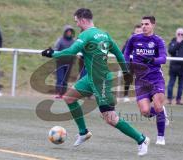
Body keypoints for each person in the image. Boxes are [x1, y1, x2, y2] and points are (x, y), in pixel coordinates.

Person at [42, 8, 150, 156]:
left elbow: (71, 52)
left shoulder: (86, 35)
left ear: (83, 20)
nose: (77, 25)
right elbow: (119, 53)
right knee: (69, 97)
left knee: (110, 118)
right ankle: (83, 132)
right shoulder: (104, 34)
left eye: (77, 22)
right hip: (91, 78)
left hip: (102, 81)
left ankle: (141, 139)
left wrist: (52, 53)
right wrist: (126, 72)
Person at [124, 16, 169, 145]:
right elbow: (126, 53)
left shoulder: (158, 41)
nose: (144, 26)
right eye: (142, 24)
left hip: (155, 78)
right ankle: (161, 112)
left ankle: (161, 137)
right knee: (145, 112)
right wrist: (126, 65)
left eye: (147, 24)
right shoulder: (134, 39)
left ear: (153, 25)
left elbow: (163, 59)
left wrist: (152, 60)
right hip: (140, 80)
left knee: (158, 106)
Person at [167, 28, 183, 105]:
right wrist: (178, 43)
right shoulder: (173, 42)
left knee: (181, 86)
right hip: (174, 68)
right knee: (171, 84)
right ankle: (169, 99)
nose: (180, 36)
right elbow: (170, 51)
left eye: (182, 34)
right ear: (176, 34)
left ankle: (178, 100)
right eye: (179, 34)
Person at [121, 24, 143, 102]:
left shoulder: (145, 40)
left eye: (140, 31)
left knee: (141, 79)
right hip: (130, 63)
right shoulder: (130, 40)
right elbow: (123, 51)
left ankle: (141, 96)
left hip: (141, 63)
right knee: (128, 79)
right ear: (134, 31)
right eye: (137, 31)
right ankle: (125, 95)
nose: (139, 32)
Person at [53, 25, 75, 98]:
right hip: (60, 62)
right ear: (65, 32)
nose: (69, 33)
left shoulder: (74, 41)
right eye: (68, 31)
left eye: (70, 32)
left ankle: (63, 93)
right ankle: (58, 92)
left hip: (69, 63)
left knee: (65, 79)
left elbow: (76, 50)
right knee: (60, 78)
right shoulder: (60, 40)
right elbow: (55, 49)